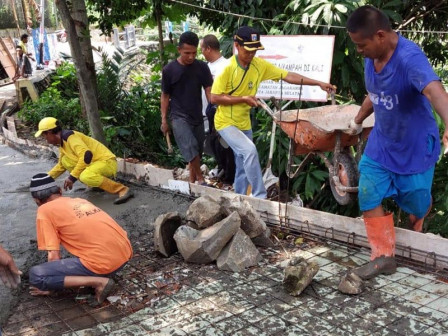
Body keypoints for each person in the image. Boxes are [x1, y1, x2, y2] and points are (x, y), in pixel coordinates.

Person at [345, 6, 448, 280]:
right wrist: (357, 120)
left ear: (380, 35)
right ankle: (383, 256)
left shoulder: (409, 59)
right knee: (367, 192)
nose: (358, 51)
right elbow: (375, 93)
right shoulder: (372, 55)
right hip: (382, 144)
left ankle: (421, 209)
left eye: (361, 45)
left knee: (415, 204)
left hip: (414, 148)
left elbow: (435, 90)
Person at [211, 26, 335, 198]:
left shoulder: (259, 65)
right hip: (225, 123)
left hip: (244, 123)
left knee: (242, 164)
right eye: (248, 50)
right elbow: (214, 98)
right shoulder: (227, 69)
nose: (252, 54)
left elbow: (287, 75)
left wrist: (318, 83)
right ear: (237, 46)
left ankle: (238, 201)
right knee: (250, 151)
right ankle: (260, 197)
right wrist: (243, 99)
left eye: (255, 50)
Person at [28, 173, 133, 305]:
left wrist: (50, 286)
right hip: (125, 254)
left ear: (36, 200)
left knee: (36, 275)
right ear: (59, 191)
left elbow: (53, 256)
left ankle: (100, 282)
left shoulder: (44, 211)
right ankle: (99, 274)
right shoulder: (80, 201)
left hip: (105, 264)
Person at [35, 117, 133, 204]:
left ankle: (122, 189)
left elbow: (87, 155)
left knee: (86, 176)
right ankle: (96, 186)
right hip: (95, 163)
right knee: (65, 161)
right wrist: (45, 179)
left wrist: (71, 178)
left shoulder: (69, 137)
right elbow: (61, 166)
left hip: (107, 162)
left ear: (49, 132)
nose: (45, 139)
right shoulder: (62, 144)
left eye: (44, 136)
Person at [161, 31, 213, 185]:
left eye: (194, 53)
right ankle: (201, 180)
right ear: (179, 50)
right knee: (190, 147)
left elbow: (209, 90)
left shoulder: (202, 67)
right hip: (178, 117)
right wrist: (164, 119)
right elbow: (165, 96)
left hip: (197, 115)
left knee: (196, 152)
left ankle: (191, 183)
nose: (191, 56)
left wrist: (214, 107)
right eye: (187, 53)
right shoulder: (169, 70)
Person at [200, 34, 235, 186]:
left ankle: (229, 176)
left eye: (201, 49)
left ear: (208, 48)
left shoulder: (225, 65)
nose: (201, 52)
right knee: (214, 145)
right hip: (206, 112)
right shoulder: (206, 67)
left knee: (224, 145)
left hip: (220, 112)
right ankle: (222, 171)